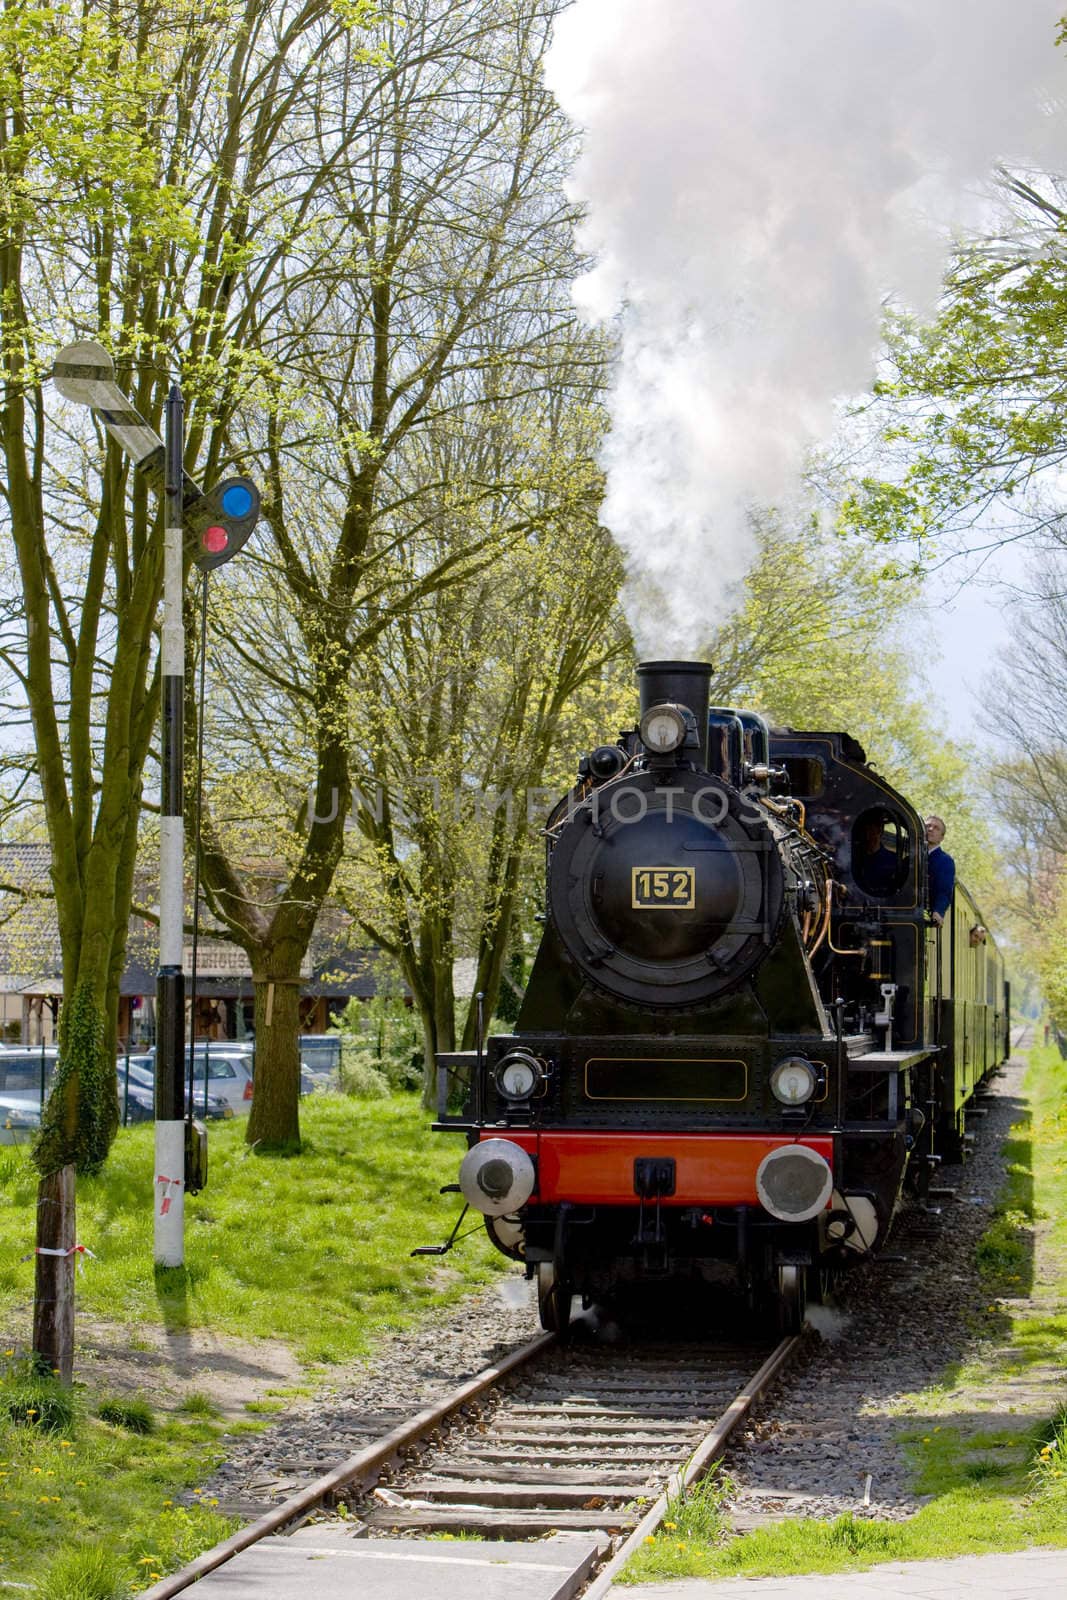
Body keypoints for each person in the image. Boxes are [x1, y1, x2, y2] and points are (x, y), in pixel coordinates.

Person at [926, 815, 955, 926]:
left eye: (936, 828)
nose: (931, 829)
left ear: (941, 838)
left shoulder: (945, 861)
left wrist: (938, 911)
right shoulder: (909, 858)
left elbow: (944, 891)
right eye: (928, 826)